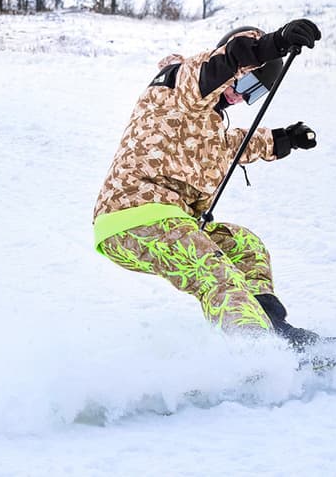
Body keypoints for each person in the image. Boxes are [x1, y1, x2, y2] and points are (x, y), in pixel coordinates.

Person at [92, 19, 323, 349]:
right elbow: (220, 64)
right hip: (135, 215)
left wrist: (283, 139)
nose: (239, 96)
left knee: (244, 245)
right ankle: (254, 349)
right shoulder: (178, 83)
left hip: (170, 223)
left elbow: (232, 146)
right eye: (245, 82)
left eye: (253, 93)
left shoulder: (204, 122)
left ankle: (271, 326)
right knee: (213, 270)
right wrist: (273, 44)